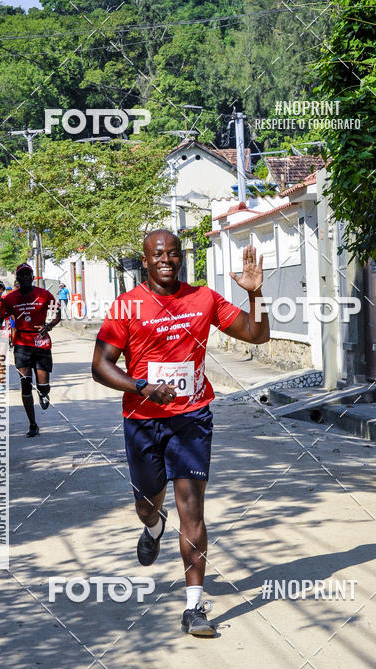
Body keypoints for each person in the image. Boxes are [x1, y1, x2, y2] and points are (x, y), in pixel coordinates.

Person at [91, 229, 268, 637]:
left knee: (193, 508)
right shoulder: (126, 306)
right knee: (147, 504)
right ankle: (153, 527)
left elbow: (257, 335)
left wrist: (256, 295)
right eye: (158, 254)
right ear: (145, 261)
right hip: (142, 419)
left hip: (192, 417)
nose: (167, 260)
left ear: (181, 258)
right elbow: (100, 366)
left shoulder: (203, 299)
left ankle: (194, 608)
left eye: (173, 253)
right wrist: (142, 387)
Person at [0, 263, 61, 438]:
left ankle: (43, 393)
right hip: (21, 344)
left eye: (28, 274)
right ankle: (32, 424)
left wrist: (48, 326)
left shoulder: (44, 295)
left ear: (32, 277)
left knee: (43, 385)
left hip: (41, 343)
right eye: (22, 275)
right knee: (25, 384)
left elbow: (58, 313)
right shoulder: (10, 299)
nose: (25, 277)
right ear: (17, 278)